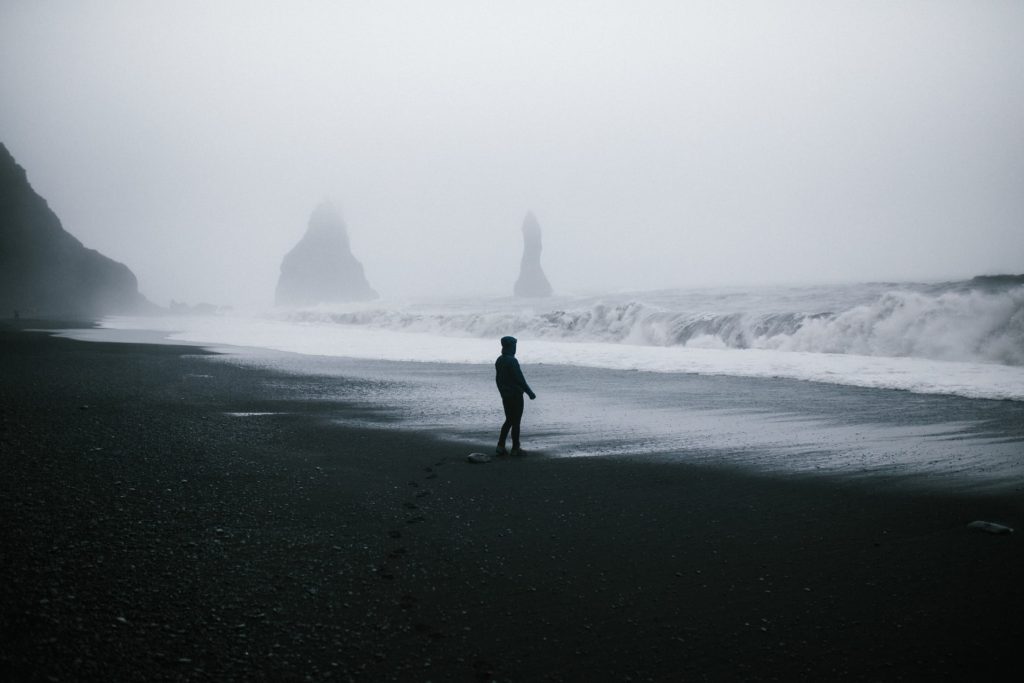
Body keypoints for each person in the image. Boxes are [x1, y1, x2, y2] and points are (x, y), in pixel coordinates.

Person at [495, 335, 536, 456]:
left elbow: (498, 379)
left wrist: (502, 392)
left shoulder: (499, 360)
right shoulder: (512, 361)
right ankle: (515, 448)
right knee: (516, 421)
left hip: (505, 395)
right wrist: (530, 392)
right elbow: (520, 379)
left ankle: (500, 445)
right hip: (515, 395)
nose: (515, 348)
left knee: (509, 420)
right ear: (510, 346)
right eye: (514, 346)